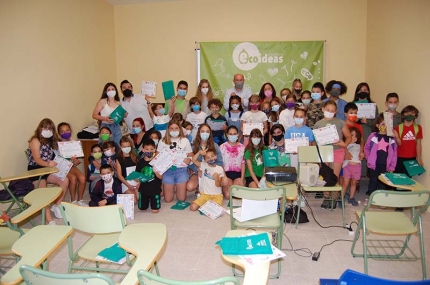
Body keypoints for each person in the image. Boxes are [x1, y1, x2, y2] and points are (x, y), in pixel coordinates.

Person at [27, 118, 69, 224]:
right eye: (45, 127)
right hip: (36, 170)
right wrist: (47, 164)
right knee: (44, 192)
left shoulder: (51, 141)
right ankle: (49, 220)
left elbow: (60, 152)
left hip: (48, 169)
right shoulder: (35, 140)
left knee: (65, 180)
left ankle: (57, 204)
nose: (47, 130)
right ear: (40, 128)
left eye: (50, 128)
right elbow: (36, 158)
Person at [314, 100, 351, 209]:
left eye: (332, 111)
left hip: (337, 151)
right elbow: (315, 141)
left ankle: (334, 198)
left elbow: (348, 136)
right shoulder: (318, 124)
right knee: (325, 176)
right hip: (323, 152)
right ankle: (326, 198)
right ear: (323, 109)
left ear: (336, 112)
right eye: (327, 110)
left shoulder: (340, 122)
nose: (330, 112)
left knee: (335, 176)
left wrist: (344, 144)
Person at [157, 120, 193, 202]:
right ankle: (169, 186)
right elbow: (157, 156)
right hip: (167, 170)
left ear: (180, 129)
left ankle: (177, 186)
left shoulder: (185, 140)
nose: (174, 130)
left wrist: (189, 159)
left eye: (176, 128)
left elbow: (191, 154)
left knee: (181, 199)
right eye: (171, 128)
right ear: (168, 130)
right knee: (168, 200)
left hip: (181, 170)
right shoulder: (162, 141)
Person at [364, 114, 397, 195]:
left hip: (385, 165)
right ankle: (371, 196)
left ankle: (381, 197)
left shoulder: (391, 138)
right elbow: (366, 148)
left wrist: (392, 166)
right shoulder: (373, 136)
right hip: (374, 164)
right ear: (377, 125)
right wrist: (369, 158)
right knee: (373, 180)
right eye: (383, 124)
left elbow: (394, 153)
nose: (385, 126)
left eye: (386, 124)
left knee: (382, 182)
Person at [186, 124, 224, 195]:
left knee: (225, 181)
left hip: (212, 171)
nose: (205, 134)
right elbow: (190, 163)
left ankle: (213, 188)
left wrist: (211, 169)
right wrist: (198, 169)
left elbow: (220, 161)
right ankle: (200, 187)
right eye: (202, 131)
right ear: (199, 133)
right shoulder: (194, 147)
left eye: (207, 132)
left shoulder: (215, 145)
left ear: (210, 133)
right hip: (198, 172)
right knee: (190, 187)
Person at [57, 122, 87, 206]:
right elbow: (56, 160)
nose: (65, 133)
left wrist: (75, 160)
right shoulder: (57, 144)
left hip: (70, 166)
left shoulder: (74, 143)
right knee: (73, 178)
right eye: (62, 131)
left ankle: (80, 199)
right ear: (59, 133)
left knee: (82, 178)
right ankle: (73, 200)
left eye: (67, 130)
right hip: (60, 167)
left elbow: (77, 158)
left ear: (71, 131)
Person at [394, 105, 423, 175]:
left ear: (415, 115)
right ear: (403, 115)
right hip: (399, 157)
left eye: (412, 113)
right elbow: (398, 144)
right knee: (397, 177)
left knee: (408, 178)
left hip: (412, 157)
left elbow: (418, 144)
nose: (409, 115)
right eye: (407, 113)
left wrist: (419, 158)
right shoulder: (398, 128)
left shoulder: (418, 128)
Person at [136, 139, 162, 213]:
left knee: (155, 210)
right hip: (143, 189)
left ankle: (154, 201)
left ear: (155, 149)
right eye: (147, 149)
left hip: (155, 189)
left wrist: (156, 171)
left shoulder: (157, 161)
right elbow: (137, 175)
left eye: (151, 149)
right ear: (143, 150)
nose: (149, 151)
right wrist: (137, 179)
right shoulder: (140, 162)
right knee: (142, 209)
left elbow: (160, 177)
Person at [219, 126, 245, 198]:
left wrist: (242, 179)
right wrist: (224, 177)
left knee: (238, 195)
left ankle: (238, 184)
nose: (232, 135)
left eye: (234, 134)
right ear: (227, 135)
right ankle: (225, 186)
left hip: (238, 174)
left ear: (237, 134)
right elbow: (221, 164)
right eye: (230, 134)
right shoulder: (222, 147)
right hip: (226, 174)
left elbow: (243, 163)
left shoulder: (242, 147)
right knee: (228, 195)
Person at [342, 127, 362, 206]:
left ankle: (351, 197)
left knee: (354, 183)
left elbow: (361, 154)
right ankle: (341, 198)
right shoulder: (345, 145)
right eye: (352, 135)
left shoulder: (359, 146)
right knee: (345, 183)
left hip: (357, 167)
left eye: (356, 136)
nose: (354, 138)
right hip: (347, 166)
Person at [115, 136, 139, 202]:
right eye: (124, 147)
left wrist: (139, 182)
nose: (126, 148)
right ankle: (122, 195)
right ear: (120, 147)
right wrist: (128, 185)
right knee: (134, 201)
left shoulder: (135, 157)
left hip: (136, 181)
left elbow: (139, 171)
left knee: (139, 198)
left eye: (128, 146)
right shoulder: (119, 159)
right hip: (125, 183)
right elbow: (119, 175)